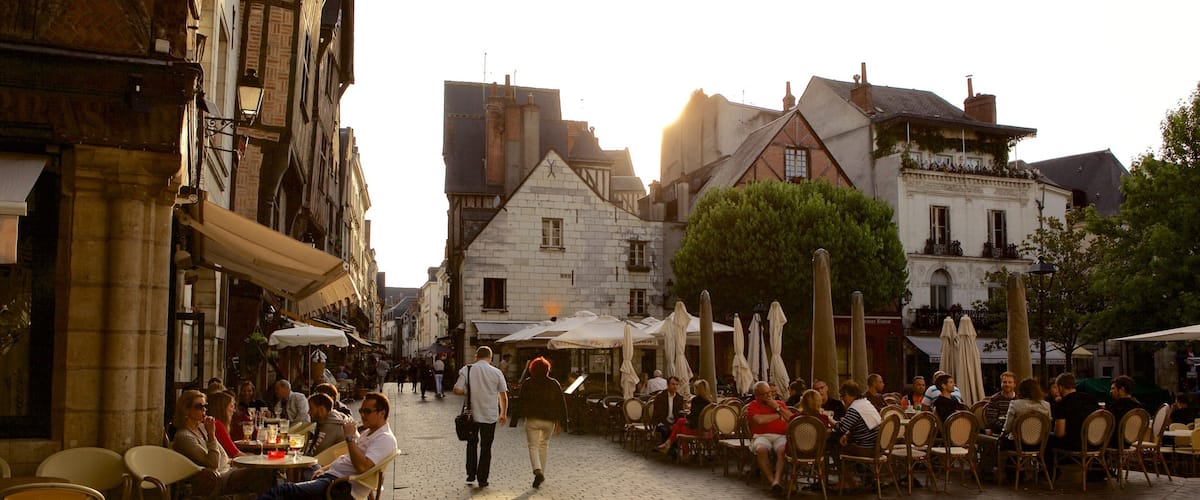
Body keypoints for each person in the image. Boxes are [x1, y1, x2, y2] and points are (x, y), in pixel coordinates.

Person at [259, 392, 397, 499]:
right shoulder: (369, 432)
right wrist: (325, 468)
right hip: (331, 477)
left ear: (382, 413)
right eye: (361, 411)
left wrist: (350, 437)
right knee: (288, 490)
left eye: (367, 411)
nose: (362, 415)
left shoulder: (384, 439)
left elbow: (362, 467)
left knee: (284, 490)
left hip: (340, 487)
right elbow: (348, 458)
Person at [172, 391, 268, 496]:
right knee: (260, 472)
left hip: (227, 470)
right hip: (214, 480)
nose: (204, 410)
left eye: (205, 406)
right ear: (186, 410)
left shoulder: (202, 428)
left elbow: (223, 455)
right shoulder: (184, 437)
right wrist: (211, 436)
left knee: (265, 470)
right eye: (199, 406)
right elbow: (213, 463)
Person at [454, 346, 508, 488]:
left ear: (476, 356)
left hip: (472, 416)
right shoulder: (497, 372)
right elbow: (503, 395)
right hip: (490, 415)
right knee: (486, 447)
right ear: (490, 358)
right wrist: (503, 413)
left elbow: (457, 390)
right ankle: (482, 479)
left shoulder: (467, 369)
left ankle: (471, 474)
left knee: (471, 444)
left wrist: (469, 390)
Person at [518, 356, 568, 488]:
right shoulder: (554, 383)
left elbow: (520, 401)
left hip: (533, 419)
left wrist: (515, 418)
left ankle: (537, 470)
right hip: (549, 420)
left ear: (532, 369)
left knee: (533, 446)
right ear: (547, 369)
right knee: (544, 445)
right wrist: (562, 422)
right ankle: (541, 474)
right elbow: (561, 404)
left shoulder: (528, 383)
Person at [746, 381, 795, 494]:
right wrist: (778, 415)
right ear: (757, 396)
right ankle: (772, 480)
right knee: (761, 450)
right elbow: (759, 420)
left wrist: (777, 408)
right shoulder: (753, 405)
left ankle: (776, 480)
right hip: (761, 436)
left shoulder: (779, 404)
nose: (768, 396)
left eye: (769, 393)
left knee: (782, 450)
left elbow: (791, 418)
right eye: (764, 394)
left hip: (780, 436)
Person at [655, 379, 715, 454]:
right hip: (708, 431)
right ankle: (672, 447)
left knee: (681, 426)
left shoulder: (696, 400)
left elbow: (693, 418)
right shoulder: (710, 401)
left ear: (698, 389)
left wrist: (688, 415)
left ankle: (679, 450)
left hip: (698, 430)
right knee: (681, 425)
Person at [1048, 373, 1100, 457]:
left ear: (1060, 387)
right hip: (1095, 442)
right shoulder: (1091, 399)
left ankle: (1051, 469)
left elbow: (1059, 433)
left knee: (1047, 437)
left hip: (1075, 445)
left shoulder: (1062, 404)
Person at [1000, 378, 1052, 448]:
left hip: (1018, 444)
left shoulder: (1015, 404)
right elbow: (1048, 426)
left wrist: (1002, 434)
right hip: (1040, 444)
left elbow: (1007, 428)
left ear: (1021, 390)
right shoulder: (1046, 405)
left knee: (1000, 442)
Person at [1107, 375, 1143, 446]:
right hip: (1132, 442)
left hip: (1115, 443)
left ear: (1122, 390)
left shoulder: (1116, 407)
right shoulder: (1139, 407)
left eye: (1113, 389)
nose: (1111, 391)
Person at [650, 376, 687, 443]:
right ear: (668, 385)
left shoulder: (679, 398)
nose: (675, 386)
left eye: (677, 384)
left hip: (674, 423)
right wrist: (668, 425)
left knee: (680, 430)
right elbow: (659, 414)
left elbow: (680, 414)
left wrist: (675, 425)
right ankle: (670, 449)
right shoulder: (660, 397)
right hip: (661, 422)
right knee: (666, 430)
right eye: (673, 384)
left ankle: (670, 448)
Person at [207, 390, 242, 458]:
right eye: (231, 406)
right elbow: (235, 453)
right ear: (222, 409)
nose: (234, 410)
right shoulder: (216, 424)